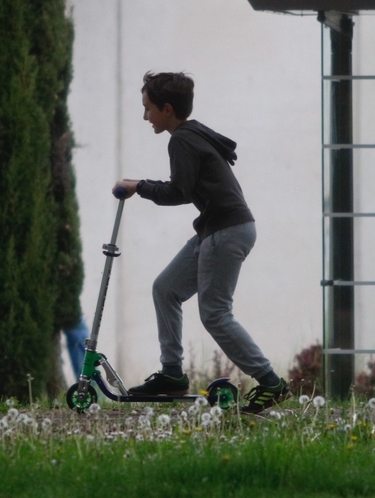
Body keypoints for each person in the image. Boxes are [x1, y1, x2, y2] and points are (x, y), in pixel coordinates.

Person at [113, 71, 290, 413]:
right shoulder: (192, 132)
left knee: (215, 314)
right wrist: (143, 184)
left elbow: (179, 191)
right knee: (165, 288)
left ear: (167, 109)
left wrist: (139, 187)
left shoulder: (181, 139)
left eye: (148, 108)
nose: (145, 115)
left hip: (226, 231)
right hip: (218, 229)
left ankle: (271, 382)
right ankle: (172, 374)